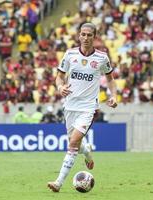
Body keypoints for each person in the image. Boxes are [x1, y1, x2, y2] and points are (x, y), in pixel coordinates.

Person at [47, 23, 118, 192]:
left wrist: (113, 95)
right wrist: (60, 87)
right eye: (83, 34)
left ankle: (58, 182)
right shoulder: (70, 54)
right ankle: (87, 153)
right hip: (70, 106)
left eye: (89, 35)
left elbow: (110, 79)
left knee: (73, 142)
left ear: (95, 37)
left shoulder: (102, 58)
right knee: (77, 144)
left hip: (89, 107)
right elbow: (59, 76)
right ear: (79, 36)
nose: (86, 38)